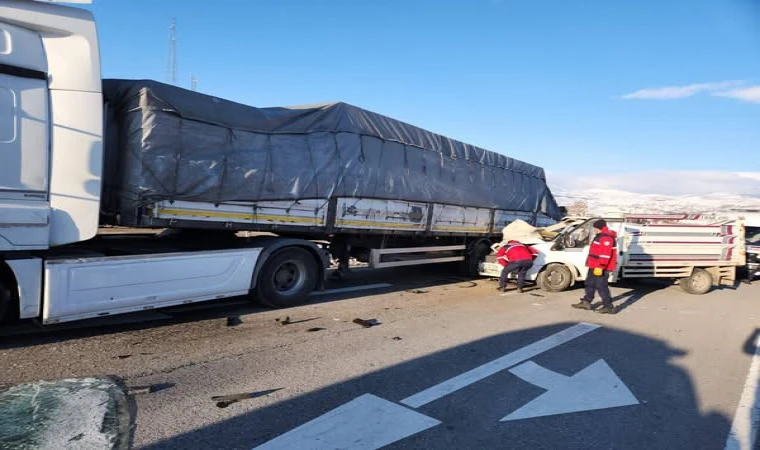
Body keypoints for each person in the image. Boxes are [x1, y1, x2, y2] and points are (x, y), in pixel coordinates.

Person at [572, 219, 617, 314]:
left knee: (601, 286)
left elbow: (605, 254)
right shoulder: (599, 236)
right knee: (590, 283)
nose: (594, 229)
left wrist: (601, 266)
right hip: (594, 265)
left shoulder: (606, 238)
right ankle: (586, 302)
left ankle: (608, 306)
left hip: (601, 267)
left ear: (600, 227)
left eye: (595, 228)